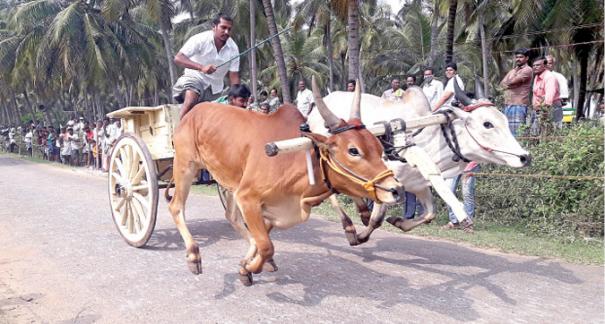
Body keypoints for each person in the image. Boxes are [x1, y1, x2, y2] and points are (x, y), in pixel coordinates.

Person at [172, 14, 241, 120]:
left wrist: (237, 95)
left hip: (215, 90)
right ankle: (179, 131)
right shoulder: (200, 39)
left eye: (229, 29)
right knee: (191, 98)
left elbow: (234, 75)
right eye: (223, 27)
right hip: (194, 79)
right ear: (214, 27)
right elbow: (178, 58)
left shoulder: (234, 48)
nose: (226, 32)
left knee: (213, 119)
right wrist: (201, 68)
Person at [499, 48, 533, 137]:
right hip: (508, 104)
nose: (518, 59)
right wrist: (510, 83)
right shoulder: (513, 70)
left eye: (521, 57)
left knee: (518, 133)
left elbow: (512, 82)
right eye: (517, 57)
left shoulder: (527, 70)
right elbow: (502, 84)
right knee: (508, 132)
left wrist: (509, 83)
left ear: (527, 58)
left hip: (519, 104)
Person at [442, 161, 480, 233]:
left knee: (467, 194)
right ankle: (454, 221)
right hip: (454, 165)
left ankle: (468, 223)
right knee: (448, 192)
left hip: (470, 165)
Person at [530, 56, 562, 135]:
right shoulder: (537, 77)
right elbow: (535, 95)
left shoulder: (549, 77)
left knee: (552, 134)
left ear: (544, 66)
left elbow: (548, 100)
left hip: (550, 108)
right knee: (536, 133)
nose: (535, 67)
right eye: (533, 65)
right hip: (539, 109)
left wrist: (543, 112)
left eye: (538, 65)